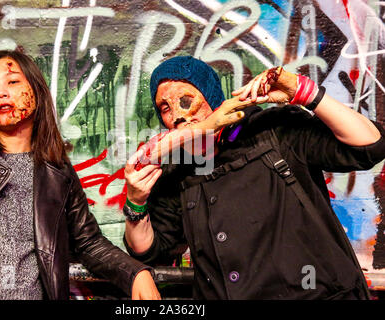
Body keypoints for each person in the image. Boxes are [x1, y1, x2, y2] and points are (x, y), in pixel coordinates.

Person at [123, 56, 385, 299]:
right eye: (165, 107)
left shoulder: (276, 130)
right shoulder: (178, 171)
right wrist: (135, 201)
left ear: (212, 99)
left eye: (186, 99)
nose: (178, 116)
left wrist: (305, 93)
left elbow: (369, 146)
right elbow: (149, 250)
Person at [0, 50, 161, 300]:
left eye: (12, 82)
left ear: (37, 92)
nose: (0, 92)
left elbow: (88, 242)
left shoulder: (57, 172)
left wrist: (135, 273)